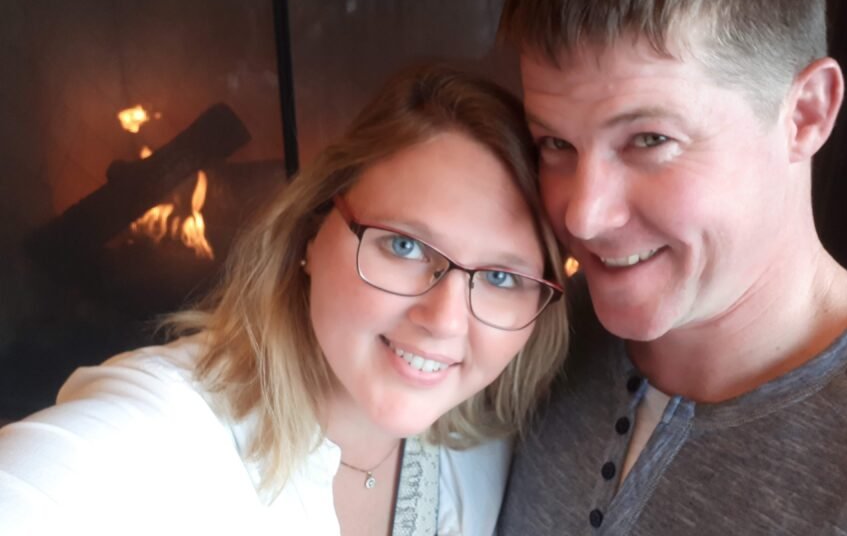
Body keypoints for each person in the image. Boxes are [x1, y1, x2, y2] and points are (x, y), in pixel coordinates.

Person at [495, 0, 847, 534]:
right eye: (555, 143)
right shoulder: (522, 336)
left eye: (650, 139)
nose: (584, 215)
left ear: (806, 114)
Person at [0, 64, 569, 536]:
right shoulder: (166, 436)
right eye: (404, 245)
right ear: (310, 234)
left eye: (501, 278)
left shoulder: (482, 449)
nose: (444, 322)